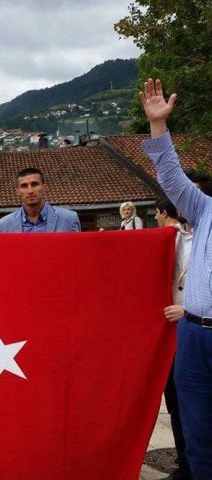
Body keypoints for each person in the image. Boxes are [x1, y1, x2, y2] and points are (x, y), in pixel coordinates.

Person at [139, 77, 212, 478]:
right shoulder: (205, 210)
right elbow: (172, 178)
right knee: (198, 437)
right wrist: (158, 127)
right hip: (194, 336)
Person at [154, 195, 192, 480]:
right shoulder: (170, 240)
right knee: (176, 402)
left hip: (199, 330)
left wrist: (188, 309)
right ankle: (185, 462)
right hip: (171, 334)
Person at [0, 167, 81, 233]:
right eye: (24, 186)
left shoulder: (69, 219)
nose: (30, 191)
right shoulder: (3, 225)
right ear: (18, 191)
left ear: (44, 188)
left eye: (35, 184)